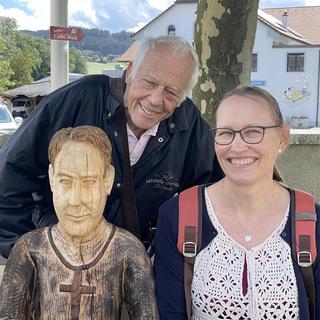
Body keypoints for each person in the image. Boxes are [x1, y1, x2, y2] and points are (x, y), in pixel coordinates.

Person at [0, 35, 223, 258]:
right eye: (149, 82)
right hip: (58, 254)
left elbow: (214, 197)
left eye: (171, 92)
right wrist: (28, 250)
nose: (155, 99)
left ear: (182, 97)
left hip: (127, 263)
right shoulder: (79, 99)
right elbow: (11, 172)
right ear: (130, 72)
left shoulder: (189, 124)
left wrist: (170, 250)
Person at [154, 86, 320, 319]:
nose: (238, 146)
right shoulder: (178, 216)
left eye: (253, 131)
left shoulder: (311, 220)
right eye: (225, 133)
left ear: (282, 138)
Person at [0, 125, 159, 319]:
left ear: (107, 180)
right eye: (65, 182)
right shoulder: (29, 248)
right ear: (52, 179)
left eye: (89, 182)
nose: (75, 200)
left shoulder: (128, 250)